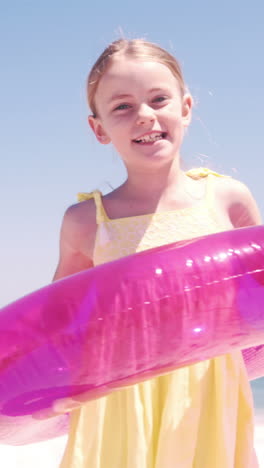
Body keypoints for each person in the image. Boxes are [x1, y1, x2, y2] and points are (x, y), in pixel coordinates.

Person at [53, 39, 261, 468]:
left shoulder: (227, 200)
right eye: (123, 107)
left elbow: (255, 299)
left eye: (158, 98)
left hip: (207, 393)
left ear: (185, 107)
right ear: (99, 129)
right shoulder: (87, 221)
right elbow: (59, 324)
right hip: (120, 402)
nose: (145, 115)